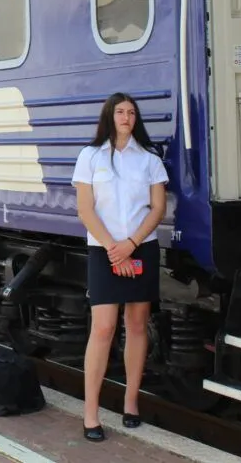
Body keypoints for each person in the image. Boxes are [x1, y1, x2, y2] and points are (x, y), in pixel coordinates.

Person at [70, 92, 168, 441]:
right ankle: (91, 414)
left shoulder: (149, 159)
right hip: (105, 251)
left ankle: (130, 403)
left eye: (132, 112)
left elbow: (158, 209)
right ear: (109, 117)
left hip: (141, 248)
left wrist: (130, 245)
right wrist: (115, 249)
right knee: (103, 328)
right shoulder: (90, 156)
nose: (127, 117)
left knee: (137, 325)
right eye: (120, 112)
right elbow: (85, 209)